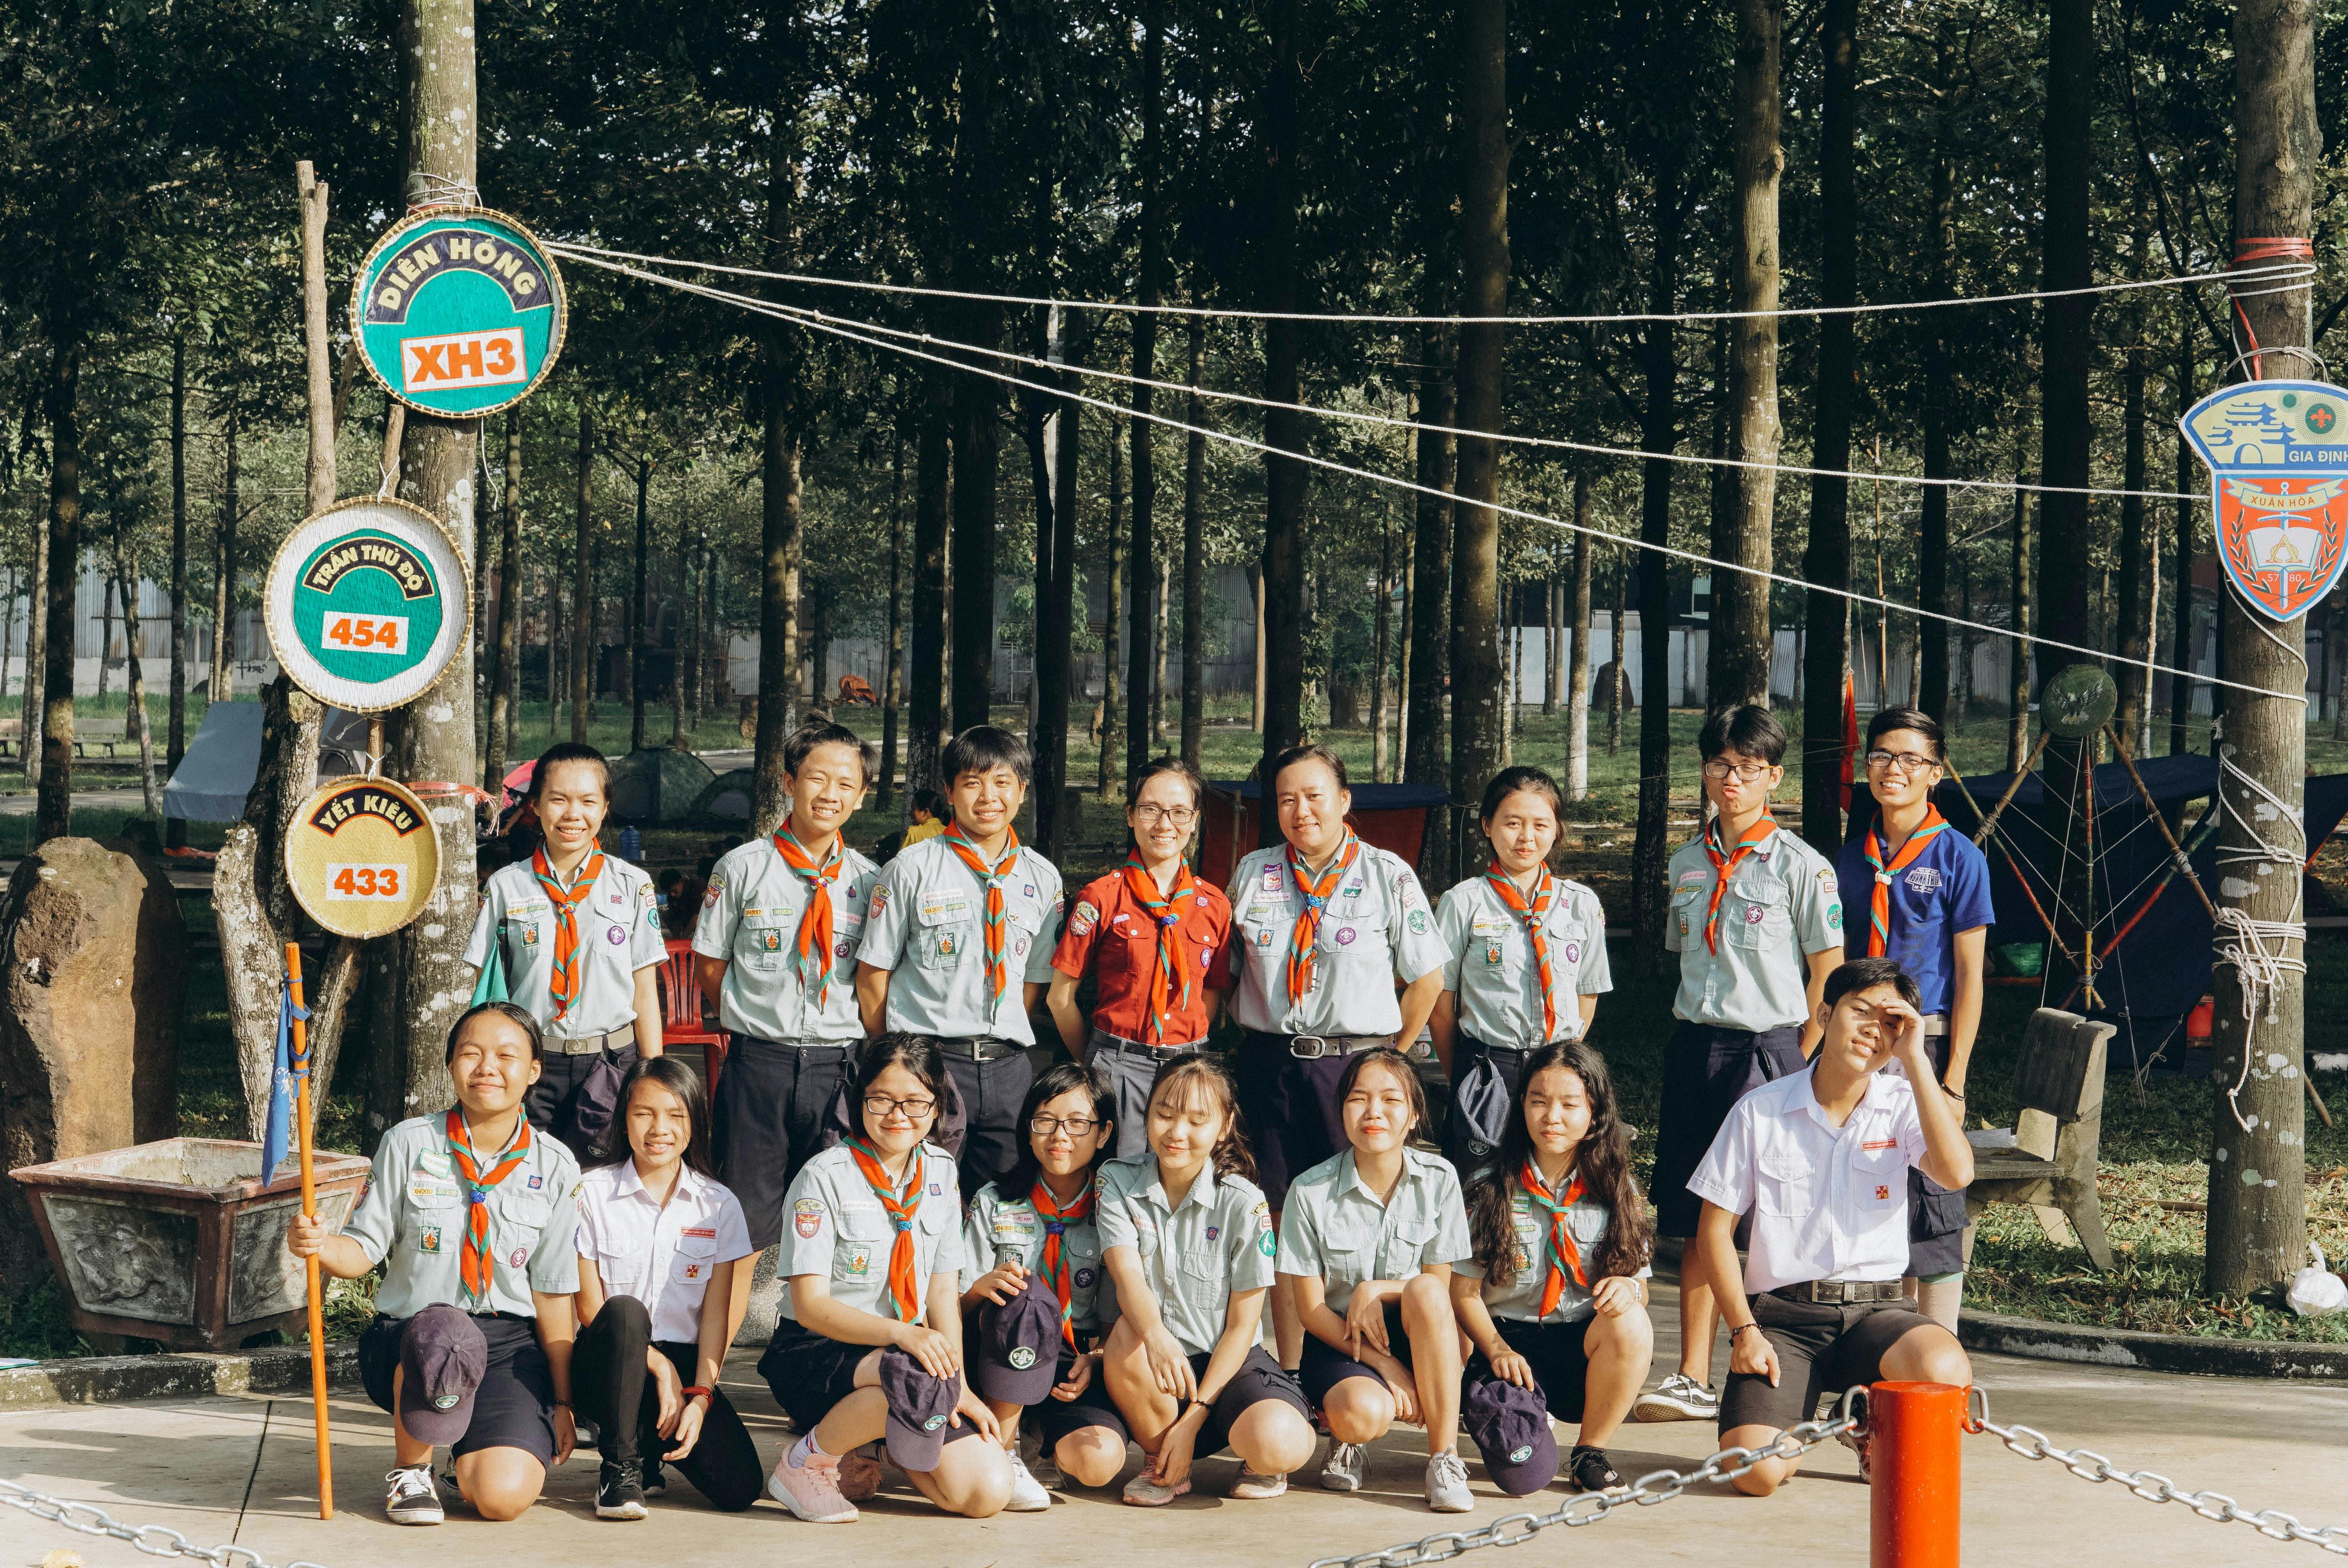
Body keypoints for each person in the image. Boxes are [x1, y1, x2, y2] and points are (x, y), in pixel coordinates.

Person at [287, 1002, 581, 1526]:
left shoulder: (554, 1166)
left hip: (507, 1345)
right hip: (413, 1337)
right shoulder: (410, 1142)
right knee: (447, 1330)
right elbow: (362, 1249)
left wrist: (563, 1400)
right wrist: (319, 1244)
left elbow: (554, 1292)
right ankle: (411, 1470)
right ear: (450, 1066)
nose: (487, 1067)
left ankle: (464, 1457)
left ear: (534, 1070)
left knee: (501, 1500)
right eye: (471, 1053)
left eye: (506, 1056)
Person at [1690, 957, 1976, 1492]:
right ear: (1824, 1013)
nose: (1874, 1030)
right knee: (1757, 1474)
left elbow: (1957, 1172)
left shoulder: (1903, 1104)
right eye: (1860, 1011)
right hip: (1785, 1318)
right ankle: (1814, 1420)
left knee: (1945, 1369)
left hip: (1879, 1314)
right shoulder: (1760, 1111)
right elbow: (1713, 1231)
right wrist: (1743, 1332)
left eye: (1892, 1023)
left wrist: (1915, 1062)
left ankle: (1870, 1421)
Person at [1634, 705, 1842, 1425]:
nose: (1732, 779)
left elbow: (1828, 977)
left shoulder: (1802, 867)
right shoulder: (1687, 863)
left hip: (1772, 1049)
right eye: (1720, 764)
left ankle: (1787, 1365)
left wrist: (1801, 1065)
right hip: (1698, 1048)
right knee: (1699, 1216)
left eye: (1748, 768)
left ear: (1774, 778)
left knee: (1776, 1219)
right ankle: (1693, 1373)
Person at [1213, 743, 1446, 1368]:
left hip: (1354, 1067)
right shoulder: (1254, 873)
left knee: (1354, 1215)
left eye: (1314, 796)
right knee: (1283, 1219)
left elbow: (1426, 979)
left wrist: (1390, 1064)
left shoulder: (1387, 874)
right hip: (1269, 1066)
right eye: (1286, 799)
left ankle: (1363, 1363)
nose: (1300, 810)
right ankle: (1292, 1369)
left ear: (1344, 801)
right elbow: (1228, 975)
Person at [758, 1035, 1011, 1523]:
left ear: (938, 1108)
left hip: (909, 1360)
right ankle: (804, 1462)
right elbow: (809, 1306)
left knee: (984, 1494)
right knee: (908, 1371)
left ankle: (876, 1446)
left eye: (916, 1102)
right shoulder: (824, 1177)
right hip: (818, 1352)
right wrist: (903, 1336)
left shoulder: (939, 1171)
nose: (898, 1115)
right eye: (882, 1100)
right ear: (859, 1101)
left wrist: (956, 1384)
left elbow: (941, 1289)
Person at [1834, 707, 1993, 1332]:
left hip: (1922, 1046)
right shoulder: (1850, 858)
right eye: (1879, 756)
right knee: (1865, 1177)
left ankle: (1939, 1348)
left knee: (1932, 1193)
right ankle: (1881, 1341)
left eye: (1908, 759)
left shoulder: (1958, 857)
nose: (1891, 769)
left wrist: (1952, 1080)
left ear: (1935, 773)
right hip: (1852, 1045)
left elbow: (1970, 976)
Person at [1098, 1056, 1317, 1505]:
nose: (1177, 1133)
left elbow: (1242, 1328)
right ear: (1147, 1113)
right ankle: (1163, 1462)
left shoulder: (1244, 1202)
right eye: (1165, 1114)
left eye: (1198, 1120)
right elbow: (1127, 1277)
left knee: (1281, 1443)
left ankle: (1256, 1460)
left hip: (1230, 1362)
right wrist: (1157, 1338)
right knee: (1128, 1335)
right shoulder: (1117, 1181)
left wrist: (1197, 1414)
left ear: (1224, 1126)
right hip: (1156, 1363)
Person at [694, 724, 880, 1250]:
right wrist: (752, 1019)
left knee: (831, 1209)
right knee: (744, 1213)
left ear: (862, 797)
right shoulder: (743, 868)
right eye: (817, 779)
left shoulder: (871, 882)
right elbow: (710, 964)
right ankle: (737, 1325)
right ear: (789, 782)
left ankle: (814, 1325)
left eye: (846, 784)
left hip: (837, 1068)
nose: (830, 794)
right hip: (760, 1065)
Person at [859, 726, 1066, 1184]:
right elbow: (873, 974)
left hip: (1008, 1068)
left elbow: (1032, 981)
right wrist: (896, 1059)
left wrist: (998, 1037)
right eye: (972, 782)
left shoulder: (1043, 878)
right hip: (928, 1064)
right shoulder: (911, 869)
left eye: (1002, 782)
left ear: (1022, 790)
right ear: (950, 792)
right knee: (916, 1194)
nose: (988, 796)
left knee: (1004, 1199)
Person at [1275, 1048, 1475, 1512]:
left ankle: (1444, 1460)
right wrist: (1386, 1366)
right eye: (1359, 1099)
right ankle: (1346, 1441)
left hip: (1421, 1332)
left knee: (1423, 1290)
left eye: (1391, 1099)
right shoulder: (1309, 1191)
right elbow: (1310, 1311)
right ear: (1341, 1109)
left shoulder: (1440, 1177)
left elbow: (1437, 1288)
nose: (1374, 1112)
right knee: (1361, 1414)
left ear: (1414, 1114)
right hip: (1341, 1341)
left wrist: (1377, 1289)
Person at [1451, 1041, 1654, 1497]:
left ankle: (1590, 1452)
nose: (1552, 1117)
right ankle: (1513, 1414)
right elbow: (1462, 1291)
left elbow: (1639, 1282)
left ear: (1594, 1110)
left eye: (1569, 1104)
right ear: (1520, 1104)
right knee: (1523, 1478)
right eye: (1538, 1101)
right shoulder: (1489, 1189)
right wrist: (1498, 1350)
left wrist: (1628, 1288)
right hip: (1510, 1346)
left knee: (1632, 1323)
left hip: (1581, 1344)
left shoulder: (1618, 1188)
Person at [572, 1056, 762, 1518]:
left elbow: (716, 1316)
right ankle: (620, 1469)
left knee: (741, 1487)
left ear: (695, 1123)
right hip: (609, 1357)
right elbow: (589, 1308)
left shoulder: (718, 1205)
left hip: (682, 1361)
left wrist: (700, 1395)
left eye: (676, 1115)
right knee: (625, 1313)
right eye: (644, 1114)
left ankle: (649, 1451)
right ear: (624, 1120)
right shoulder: (590, 1193)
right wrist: (658, 1368)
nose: (660, 1128)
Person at [463, 742, 666, 1159]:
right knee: (524, 1175)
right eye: (558, 800)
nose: (573, 815)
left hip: (610, 1063)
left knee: (603, 1185)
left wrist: (655, 1076)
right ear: (535, 806)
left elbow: (645, 991)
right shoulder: (506, 886)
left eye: (588, 801)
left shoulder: (633, 886)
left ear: (606, 807)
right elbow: (486, 991)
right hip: (531, 1064)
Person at [959, 1061, 1129, 1508]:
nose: (1060, 1136)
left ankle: (1039, 1436)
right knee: (1025, 1297)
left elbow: (1120, 1312)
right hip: (992, 1353)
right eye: (1046, 1121)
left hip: (1069, 1363)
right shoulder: (994, 1201)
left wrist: (1097, 1358)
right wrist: (981, 1288)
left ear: (1104, 1131)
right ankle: (1007, 1454)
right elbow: (954, 1302)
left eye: (1078, 1123)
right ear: (1027, 1129)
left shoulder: (1113, 1211)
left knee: (1100, 1463)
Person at [1048, 756, 1232, 1159]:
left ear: (1195, 819)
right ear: (1131, 815)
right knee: (1118, 1180)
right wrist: (1098, 1060)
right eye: (1150, 810)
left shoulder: (1214, 905)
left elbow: (1210, 995)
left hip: (1189, 1065)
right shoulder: (1101, 897)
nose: (1165, 824)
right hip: (1118, 1064)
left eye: (1179, 812)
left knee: (1186, 1176)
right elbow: (1059, 998)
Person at [1430, 766, 1613, 1168]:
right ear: (1487, 826)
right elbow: (1440, 1002)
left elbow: (1587, 991)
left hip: (1557, 1074)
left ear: (1557, 830)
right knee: (1479, 1187)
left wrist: (1566, 1062)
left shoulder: (1580, 904)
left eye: (1540, 824)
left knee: (1550, 1182)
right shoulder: (1463, 903)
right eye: (1512, 823)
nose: (1526, 837)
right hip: (1486, 1069)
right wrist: (1461, 1068)